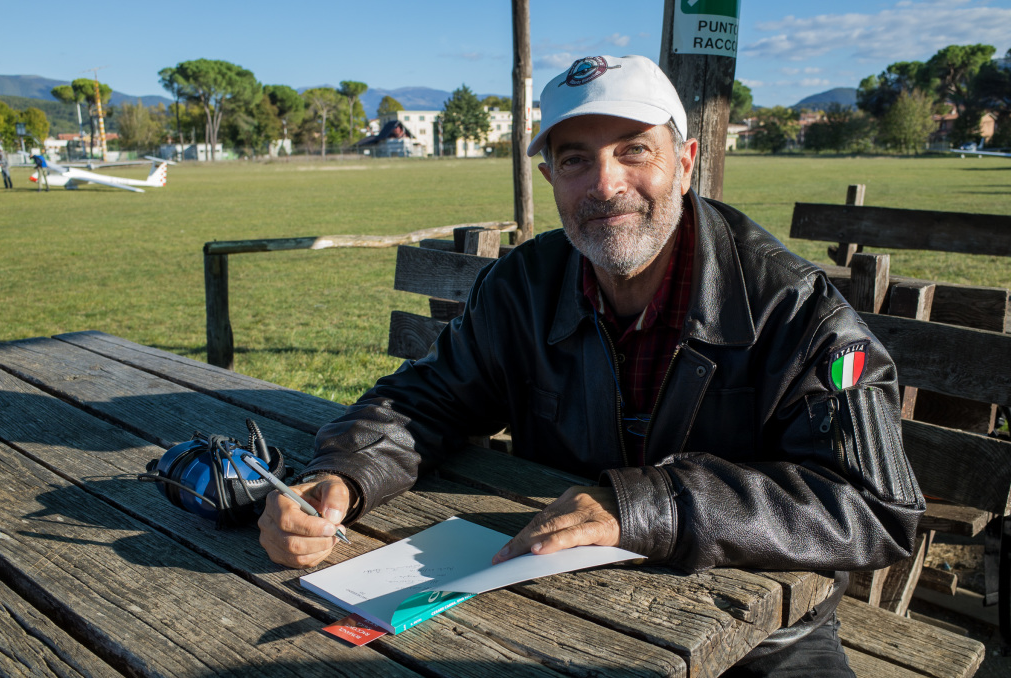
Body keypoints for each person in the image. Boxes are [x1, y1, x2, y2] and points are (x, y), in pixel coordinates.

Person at [259, 55, 923, 676]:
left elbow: (875, 507)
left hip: (765, 637)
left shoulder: (795, 308)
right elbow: (429, 396)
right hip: (563, 604)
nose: (605, 185)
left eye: (634, 150)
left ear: (686, 163)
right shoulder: (525, 285)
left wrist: (649, 507)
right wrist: (344, 472)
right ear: (549, 178)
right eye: (576, 159)